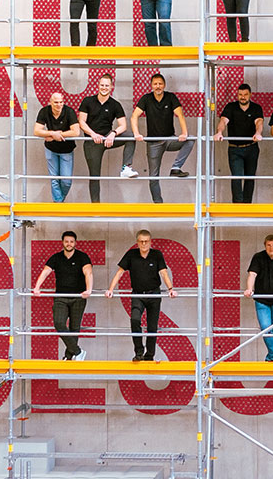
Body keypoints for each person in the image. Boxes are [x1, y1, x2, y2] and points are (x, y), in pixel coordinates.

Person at [106, 230, 177, 362]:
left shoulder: (156, 254)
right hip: (137, 294)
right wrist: (110, 290)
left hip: (154, 294)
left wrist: (170, 289)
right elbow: (119, 272)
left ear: (150, 242)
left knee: (152, 326)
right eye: (141, 241)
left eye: (146, 241)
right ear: (137, 243)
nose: (144, 244)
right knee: (135, 320)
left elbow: (164, 273)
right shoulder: (131, 254)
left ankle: (149, 355)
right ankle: (139, 352)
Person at [133, 73, 194, 204]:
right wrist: (136, 133)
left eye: (160, 84)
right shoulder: (146, 98)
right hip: (153, 143)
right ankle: (158, 204)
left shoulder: (171, 97)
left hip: (169, 139)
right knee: (153, 177)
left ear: (164, 85)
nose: (158, 86)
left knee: (190, 140)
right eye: (155, 84)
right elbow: (134, 116)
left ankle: (176, 168)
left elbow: (180, 115)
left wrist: (184, 133)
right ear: (151, 86)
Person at [77, 74, 138, 204]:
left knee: (131, 137)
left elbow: (123, 125)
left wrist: (113, 133)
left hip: (107, 139)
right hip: (92, 142)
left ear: (111, 87)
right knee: (94, 176)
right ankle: (96, 207)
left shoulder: (115, 104)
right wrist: (93, 134)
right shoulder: (88, 101)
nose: (104, 88)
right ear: (98, 86)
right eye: (102, 85)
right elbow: (81, 122)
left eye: (107, 85)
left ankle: (126, 168)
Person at [32, 231, 92, 361]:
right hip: (61, 297)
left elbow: (88, 272)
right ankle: (78, 352)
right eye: (66, 241)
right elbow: (45, 271)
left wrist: (89, 289)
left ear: (75, 243)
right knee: (59, 323)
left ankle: (69, 356)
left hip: (78, 297)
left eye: (71, 241)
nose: (69, 244)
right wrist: (37, 287)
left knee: (74, 328)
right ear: (62, 243)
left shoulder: (82, 257)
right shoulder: (56, 257)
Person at [215, 83, 264, 203]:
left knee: (250, 178)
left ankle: (247, 206)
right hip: (235, 149)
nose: (243, 97)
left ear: (250, 95)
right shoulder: (231, 107)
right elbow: (223, 121)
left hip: (251, 148)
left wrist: (258, 133)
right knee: (236, 177)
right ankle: (237, 206)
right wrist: (219, 132)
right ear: (237, 95)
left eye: (245, 94)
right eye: (240, 94)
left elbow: (259, 122)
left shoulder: (256, 108)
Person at [33, 92, 81, 202]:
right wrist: (52, 133)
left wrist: (57, 135)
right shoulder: (44, 111)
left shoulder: (69, 111)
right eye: (56, 102)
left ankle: (59, 199)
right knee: (54, 179)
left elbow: (76, 132)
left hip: (67, 149)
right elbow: (36, 131)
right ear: (50, 102)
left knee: (66, 181)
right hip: (51, 149)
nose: (59, 105)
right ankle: (58, 202)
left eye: (61, 102)